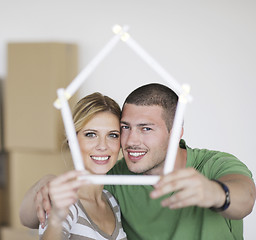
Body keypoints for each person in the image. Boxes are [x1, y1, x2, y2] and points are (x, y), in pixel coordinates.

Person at [20, 83, 256, 240]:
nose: (131, 140)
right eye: (124, 128)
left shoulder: (212, 164)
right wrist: (48, 182)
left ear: (175, 133)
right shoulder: (113, 177)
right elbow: (29, 218)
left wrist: (215, 193)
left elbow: (246, 198)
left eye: (146, 128)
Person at [32, 92, 127, 239]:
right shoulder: (65, 200)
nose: (102, 146)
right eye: (91, 134)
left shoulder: (111, 201)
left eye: (112, 135)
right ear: (72, 140)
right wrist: (56, 220)